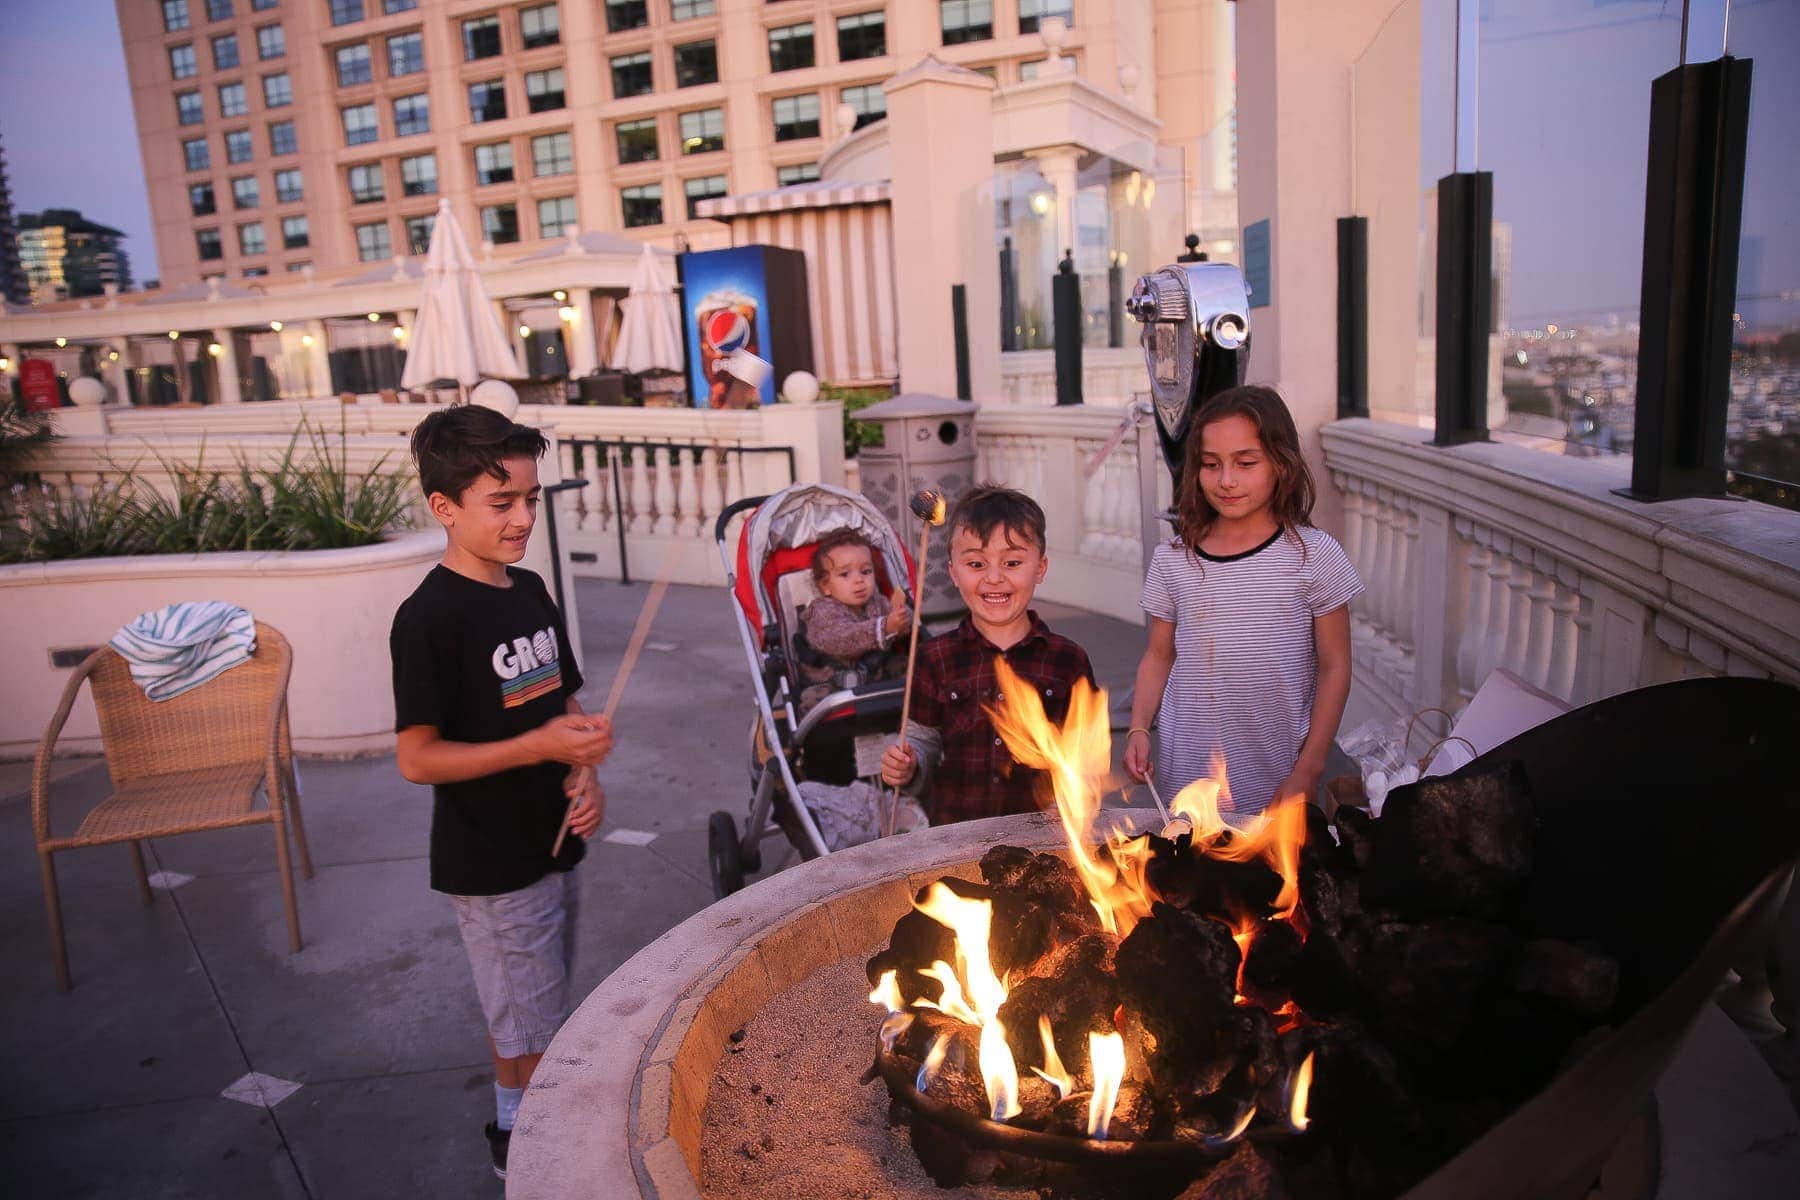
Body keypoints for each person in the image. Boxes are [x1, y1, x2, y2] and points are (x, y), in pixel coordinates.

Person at [389, 404, 613, 1181]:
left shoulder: (531, 591)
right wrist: (537, 746)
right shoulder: (429, 619)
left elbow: (562, 703)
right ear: (443, 508)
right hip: (489, 859)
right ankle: (536, 1151)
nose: (522, 518)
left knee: (526, 1007)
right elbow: (416, 758)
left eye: (530, 499)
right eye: (501, 503)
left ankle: (512, 1126)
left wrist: (583, 764)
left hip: (551, 836)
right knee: (533, 1016)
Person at [1123, 385, 1360, 823]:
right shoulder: (1173, 559)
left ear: (1281, 464)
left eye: (1245, 463)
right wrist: (1139, 727)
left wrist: (1310, 767)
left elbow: (1336, 666)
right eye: (1211, 465)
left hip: (1278, 773)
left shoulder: (1314, 555)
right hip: (1188, 772)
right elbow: (1158, 655)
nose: (1226, 480)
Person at [879, 485, 1095, 825]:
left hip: (1042, 841)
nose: (994, 578)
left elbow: (1087, 757)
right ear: (953, 571)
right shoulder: (934, 657)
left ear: (1040, 567)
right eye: (976, 563)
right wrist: (907, 765)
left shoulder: (1069, 660)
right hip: (956, 839)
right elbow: (922, 743)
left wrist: (1077, 797)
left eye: (1012, 562)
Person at [796, 528, 910, 711]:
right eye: (845, 574)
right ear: (825, 586)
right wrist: (884, 627)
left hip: (878, 672)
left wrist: (903, 619)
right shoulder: (821, 612)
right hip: (832, 682)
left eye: (866, 571)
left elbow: (899, 627)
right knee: (811, 700)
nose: (858, 580)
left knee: (916, 667)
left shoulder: (878, 602)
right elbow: (841, 639)